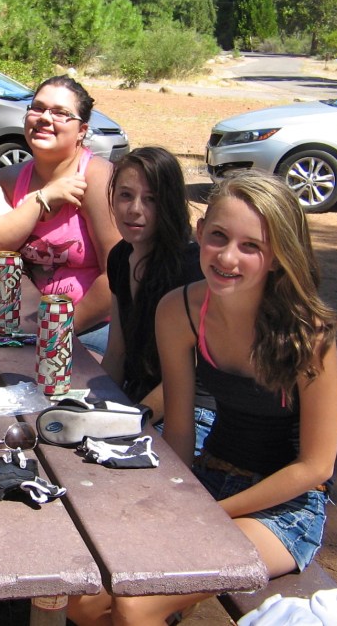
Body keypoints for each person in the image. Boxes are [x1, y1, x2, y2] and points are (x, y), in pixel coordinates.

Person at [68, 170, 337, 625]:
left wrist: (212, 514)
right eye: (218, 237)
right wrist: (175, 502)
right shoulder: (181, 309)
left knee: (136, 605)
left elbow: (315, 467)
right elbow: (179, 431)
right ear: (199, 233)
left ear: (279, 256)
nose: (228, 257)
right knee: (86, 596)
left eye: (251, 246)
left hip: (283, 506)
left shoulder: (308, 335)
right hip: (209, 478)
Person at [0, 75, 121, 355]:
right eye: (38, 108)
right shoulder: (5, 180)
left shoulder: (98, 178)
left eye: (60, 113)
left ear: (82, 130)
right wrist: (42, 198)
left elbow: (117, 275)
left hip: (90, 328)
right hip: (16, 326)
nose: (44, 118)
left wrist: (56, 334)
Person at [99, 146, 215, 451]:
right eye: (125, 195)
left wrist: (128, 421)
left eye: (150, 199)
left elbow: (185, 380)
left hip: (191, 413)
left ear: (170, 204)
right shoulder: (120, 256)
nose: (135, 209)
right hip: (138, 400)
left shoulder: (190, 267)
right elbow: (116, 353)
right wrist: (95, 408)